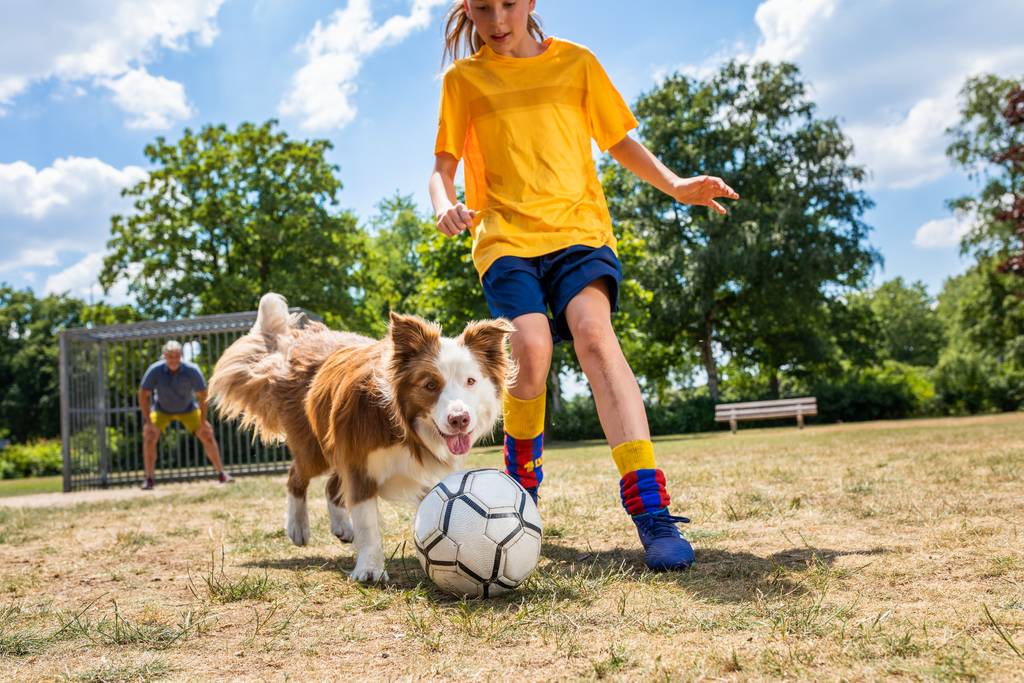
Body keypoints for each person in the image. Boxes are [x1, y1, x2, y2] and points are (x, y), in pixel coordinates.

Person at [428, 0, 739, 570]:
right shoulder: (463, 80)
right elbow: (441, 168)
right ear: (469, 10)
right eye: (483, 9)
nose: (497, 21)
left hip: (579, 232)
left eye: (507, 6)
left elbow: (618, 141)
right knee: (531, 347)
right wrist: (445, 204)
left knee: (595, 339)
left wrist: (676, 186)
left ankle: (652, 511)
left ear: (529, 3)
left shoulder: (577, 64)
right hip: (506, 240)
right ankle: (521, 489)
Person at [138, 340, 232, 490]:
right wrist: (148, 422)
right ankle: (149, 479)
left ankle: (221, 473)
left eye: (176, 356)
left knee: (207, 434)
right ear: (164, 356)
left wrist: (202, 422)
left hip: (188, 409)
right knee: (149, 436)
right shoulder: (154, 370)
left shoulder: (192, 370)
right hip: (161, 410)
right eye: (170, 356)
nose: (173, 360)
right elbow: (143, 395)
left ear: (181, 356)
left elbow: (202, 396)